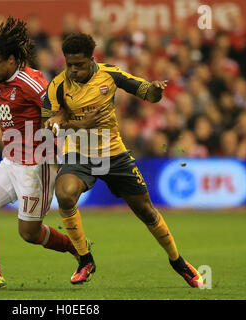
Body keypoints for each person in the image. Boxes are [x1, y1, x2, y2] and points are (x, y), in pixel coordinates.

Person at [44, 33, 204, 288]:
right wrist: (78, 124)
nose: (73, 70)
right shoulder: (58, 86)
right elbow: (48, 125)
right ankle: (85, 259)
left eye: (79, 65)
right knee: (64, 195)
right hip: (79, 153)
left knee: (146, 212)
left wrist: (155, 90)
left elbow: (147, 94)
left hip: (114, 153)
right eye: (69, 64)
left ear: (91, 59)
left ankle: (178, 261)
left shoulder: (110, 74)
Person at [0, 17, 80, 290]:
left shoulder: (30, 82)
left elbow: (59, 105)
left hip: (36, 165)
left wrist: (55, 123)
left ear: (12, 60)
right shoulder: (4, 81)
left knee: (29, 234)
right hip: (11, 161)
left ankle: (78, 250)